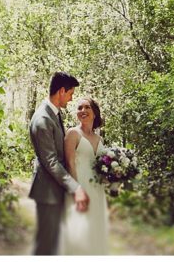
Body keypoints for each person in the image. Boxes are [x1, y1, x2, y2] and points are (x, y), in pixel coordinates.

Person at [29, 72, 89, 255]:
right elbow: (51, 161)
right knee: (45, 246)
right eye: (70, 94)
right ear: (61, 91)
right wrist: (76, 187)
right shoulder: (43, 119)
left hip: (54, 190)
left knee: (53, 244)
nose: (71, 99)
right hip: (47, 192)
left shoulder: (53, 114)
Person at [59, 97, 109, 255]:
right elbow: (70, 164)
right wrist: (76, 190)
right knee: (79, 229)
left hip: (97, 189)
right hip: (80, 186)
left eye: (87, 107)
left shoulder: (99, 138)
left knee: (96, 228)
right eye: (79, 108)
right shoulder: (73, 133)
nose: (82, 111)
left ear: (95, 113)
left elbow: (102, 166)